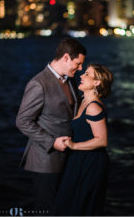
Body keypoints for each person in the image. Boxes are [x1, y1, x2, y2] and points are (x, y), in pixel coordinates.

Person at [16, 37, 86, 215]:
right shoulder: (38, 84)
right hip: (45, 161)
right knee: (47, 210)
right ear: (65, 58)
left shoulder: (69, 80)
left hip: (67, 157)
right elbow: (22, 121)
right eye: (78, 64)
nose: (80, 69)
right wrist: (52, 142)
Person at [52, 63, 113, 216]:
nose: (81, 76)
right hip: (78, 159)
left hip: (91, 162)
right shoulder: (81, 101)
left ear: (96, 83)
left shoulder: (93, 107)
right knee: (68, 204)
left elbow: (102, 140)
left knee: (82, 206)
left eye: (87, 74)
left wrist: (74, 145)